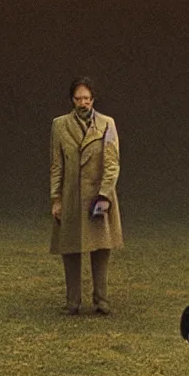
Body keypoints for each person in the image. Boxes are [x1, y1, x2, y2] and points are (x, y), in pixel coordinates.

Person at [49, 77, 123, 315]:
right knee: (70, 249)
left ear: (93, 99)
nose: (83, 102)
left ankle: (102, 300)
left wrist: (104, 195)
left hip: (98, 196)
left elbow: (112, 164)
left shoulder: (106, 124)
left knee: (101, 249)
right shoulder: (59, 125)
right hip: (71, 197)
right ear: (72, 99)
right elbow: (56, 165)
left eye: (87, 98)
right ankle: (73, 302)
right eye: (79, 98)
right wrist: (56, 199)